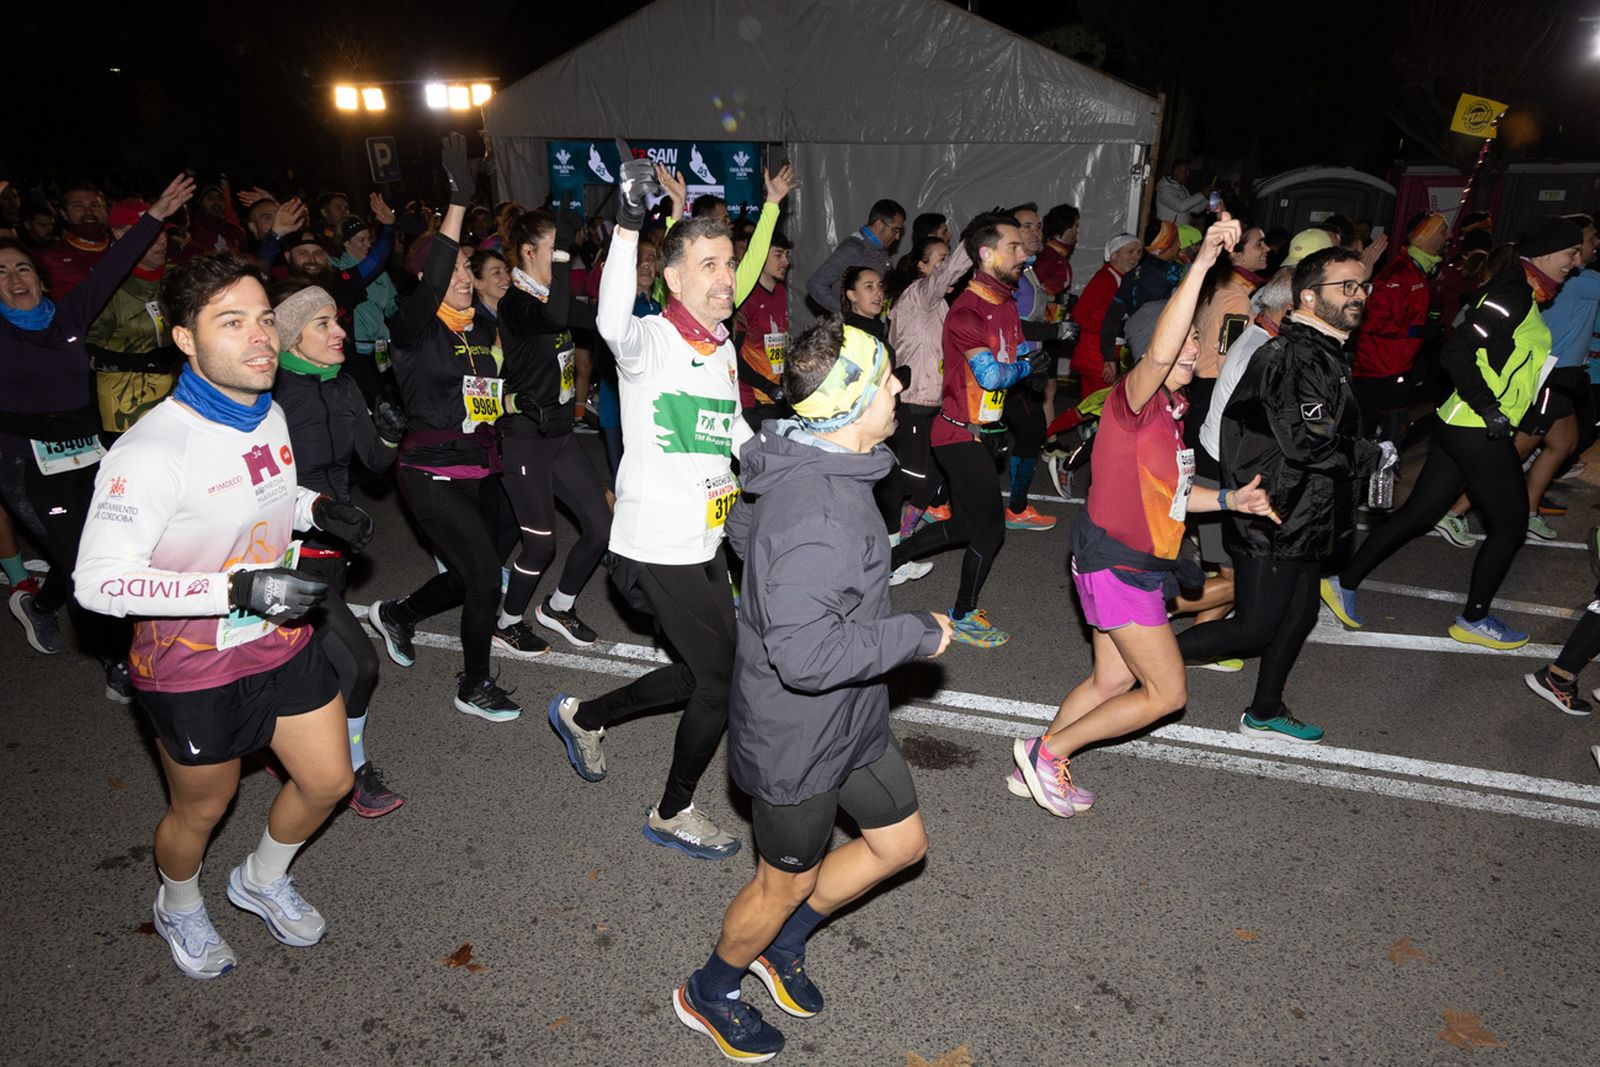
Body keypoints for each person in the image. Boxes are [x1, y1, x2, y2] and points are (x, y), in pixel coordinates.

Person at [73, 251, 377, 980]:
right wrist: (235, 590)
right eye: (231, 322)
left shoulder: (266, 407)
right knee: (200, 814)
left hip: (279, 639)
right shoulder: (150, 450)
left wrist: (315, 509)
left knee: (330, 781)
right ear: (184, 338)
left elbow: (265, 490)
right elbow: (96, 582)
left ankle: (261, 878)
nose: (261, 338)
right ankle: (178, 901)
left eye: (265, 319)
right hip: (189, 667)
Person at [672, 318, 950, 1062]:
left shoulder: (812, 465)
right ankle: (711, 988)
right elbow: (802, 653)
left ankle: (780, 947)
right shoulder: (822, 513)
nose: (899, 386)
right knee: (780, 884)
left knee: (900, 844)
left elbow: (746, 534)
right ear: (852, 403)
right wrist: (915, 633)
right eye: (887, 377)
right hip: (797, 739)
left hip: (852, 717)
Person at [1011, 216, 1278, 816]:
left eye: (1192, 342)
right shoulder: (1135, 400)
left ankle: (1034, 764)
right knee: (1166, 693)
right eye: (1182, 341)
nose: (1191, 348)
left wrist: (1235, 500)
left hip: (1129, 563)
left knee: (1111, 682)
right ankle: (1046, 753)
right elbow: (1158, 348)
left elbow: (1174, 497)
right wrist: (1204, 262)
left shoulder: (1171, 413)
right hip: (1119, 565)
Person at [546, 156, 750, 859]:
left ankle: (585, 715)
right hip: (651, 545)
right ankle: (672, 810)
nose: (725, 277)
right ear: (674, 278)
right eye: (710, 265)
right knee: (723, 679)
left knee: (703, 674)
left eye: (730, 263)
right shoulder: (650, 342)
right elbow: (609, 320)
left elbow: (734, 431)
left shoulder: (721, 347)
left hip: (703, 541)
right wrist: (630, 223)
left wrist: (785, 460)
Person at [1322, 216, 1586, 651]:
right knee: (1511, 524)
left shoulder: (1525, 292)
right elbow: (1457, 350)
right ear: (1545, 252)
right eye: (1570, 253)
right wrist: (1490, 409)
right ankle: (1474, 618)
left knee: (1419, 513)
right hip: (1477, 426)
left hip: (1463, 422)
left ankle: (1342, 582)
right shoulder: (1512, 292)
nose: (1575, 262)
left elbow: (1503, 360)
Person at [1177, 247, 1390, 743]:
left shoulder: (1324, 349)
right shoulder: (1294, 355)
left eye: (1363, 287)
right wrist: (1370, 456)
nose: (1359, 296)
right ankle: (1136, 661)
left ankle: (1265, 709)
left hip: (1306, 509)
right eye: (1347, 287)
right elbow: (1306, 441)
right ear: (1309, 297)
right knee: (1254, 626)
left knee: (1300, 614)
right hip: (1275, 511)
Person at [2, 173, 192, 700]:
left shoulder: (68, 315)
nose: (15, 279)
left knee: (111, 546)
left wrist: (153, 216)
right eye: (0, 272)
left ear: (39, 276)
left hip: (87, 452)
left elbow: (112, 265)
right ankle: (117, 661)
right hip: (24, 463)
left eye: (22, 267)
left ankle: (39, 604)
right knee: (85, 560)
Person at [367, 134, 523, 721]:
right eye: (455, 266)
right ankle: (473, 684)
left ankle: (400, 613)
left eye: (465, 265)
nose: (464, 273)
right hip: (429, 472)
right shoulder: (412, 327)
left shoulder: (480, 328)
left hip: (483, 465)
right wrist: (458, 198)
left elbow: (486, 397)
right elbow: (432, 277)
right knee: (486, 579)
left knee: (471, 570)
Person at [270, 283, 407, 816]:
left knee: (309, 662)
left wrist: (391, 436)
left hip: (339, 546)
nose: (340, 333)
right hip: (287, 553)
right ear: (292, 336)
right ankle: (349, 771)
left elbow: (372, 461)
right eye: (323, 324)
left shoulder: (345, 385)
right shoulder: (272, 393)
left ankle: (284, 743)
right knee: (359, 666)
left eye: (338, 321)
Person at [890, 212, 1051, 648]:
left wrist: (1033, 367)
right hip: (956, 433)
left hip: (980, 430)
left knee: (964, 525)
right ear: (986, 254)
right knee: (991, 530)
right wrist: (1024, 368)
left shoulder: (1005, 303)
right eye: (1013, 247)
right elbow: (993, 376)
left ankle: (891, 557)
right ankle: (962, 613)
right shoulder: (967, 311)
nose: (1024, 254)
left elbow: (1010, 364)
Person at [494, 208, 612, 653]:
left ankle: (558, 607)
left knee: (601, 527)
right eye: (553, 250)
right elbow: (557, 314)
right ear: (529, 253)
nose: (561, 258)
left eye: (563, 251)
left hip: (560, 435)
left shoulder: (549, 298)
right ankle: (506, 622)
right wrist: (565, 262)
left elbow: (594, 319)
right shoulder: (517, 303)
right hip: (524, 438)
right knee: (540, 545)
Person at [1513, 214, 1600, 541]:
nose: (1594, 246)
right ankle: (1456, 506)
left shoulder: (1580, 277)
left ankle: (1528, 511)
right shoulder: (1580, 279)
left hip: (1565, 375)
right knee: (1515, 451)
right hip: (1552, 373)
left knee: (1564, 444)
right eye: (1589, 240)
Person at [886, 233, 971, 542]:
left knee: (938, 469)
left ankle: (905, 527)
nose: (948, 267)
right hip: (912, 403)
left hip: (935, 403)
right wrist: (975, 242)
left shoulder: (940, 305)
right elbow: (948, 275)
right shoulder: (919, 295)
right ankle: (882, 529)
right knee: (911, 478)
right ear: (923, 267)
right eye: (940, 260)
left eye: (950, 258)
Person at [1350, 212, 1448, 445]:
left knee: (1388, 428)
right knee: (1390, 428)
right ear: (1426, 237)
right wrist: (1416, 331)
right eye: (1443, 232)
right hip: (1378, 366)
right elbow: (1373, 321)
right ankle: (1372, 474)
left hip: (1398, 364)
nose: (1448, 237)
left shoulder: (1418, 271)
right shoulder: (1398, 274)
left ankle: (1375, 471)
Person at [88, 199, 181, 437]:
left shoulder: (178, 277)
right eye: (150, 232)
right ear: (118, 234)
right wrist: (138, 362)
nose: (160, 239)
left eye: (162, 231)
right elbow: (84, 352)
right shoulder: (107, 288)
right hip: (126, 407)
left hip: (178, 399)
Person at [331, 215, 401, 396]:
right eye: (361, 240)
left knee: (388, 392)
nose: (367, 244)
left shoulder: (380, 273)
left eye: (369, 239)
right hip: (356, 350)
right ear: (346, 243)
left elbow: (391, 306)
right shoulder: (337, 270)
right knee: (369, 395)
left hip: (381, 345)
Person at [733, 230, 793, 430]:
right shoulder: (747, 297)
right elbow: (733, 356)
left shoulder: (781, 292)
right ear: (759, 256)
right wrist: (768, 387)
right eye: (778, 255)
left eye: (787, 255)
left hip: (776, 398)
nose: (785, 261)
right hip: (752, 401)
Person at [804, 199, 904, 314]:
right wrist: (847, 314)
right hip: (853, 329)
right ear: (879, 225)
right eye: (894, 230)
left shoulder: (882, 253)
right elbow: (816, 284)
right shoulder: (853, 249)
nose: (897, 237)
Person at [1069, 232, 1141, 391]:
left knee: (1093, 409)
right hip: (1096, 355)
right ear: (1113, 255)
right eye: (1130, 252)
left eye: (1138, 253)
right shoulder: (1105, 279)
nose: (1135, 257)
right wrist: (1112, 328)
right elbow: (1079, 316)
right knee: (1094, 407)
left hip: (1107, 352)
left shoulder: (1124, 279)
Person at [35, 181, 111, 297]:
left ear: (105, 210)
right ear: (64, 214)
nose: (88, 212)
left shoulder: (125, 249)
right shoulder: (47, 258)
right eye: (77, 206)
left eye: (95, 205)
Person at [1154, 159, 1208, 226]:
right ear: (1176, 171)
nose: (1188, 174)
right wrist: (1203, 194)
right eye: (1185, 171)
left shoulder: (1183, 189)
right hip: (1167, 233)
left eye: (1188, 171)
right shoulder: (1164, 189)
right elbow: (1181, 207)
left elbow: (1195, 209)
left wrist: (1208, 201)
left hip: (1181, 232)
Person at [469, 248, 510, 324]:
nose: (507, 277)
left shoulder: (515, 311)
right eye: (497, 272)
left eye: (507, 271)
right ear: (477, 283)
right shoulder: (472, 323)